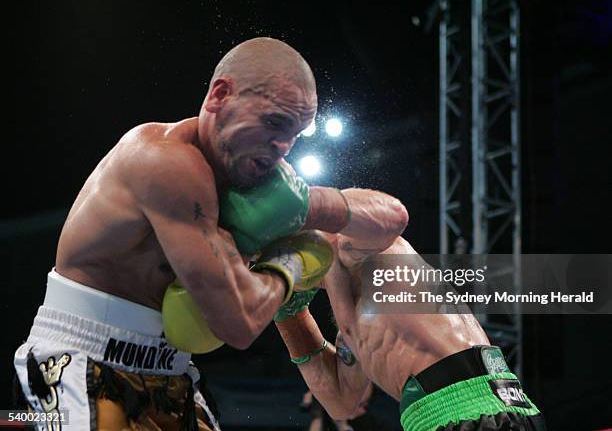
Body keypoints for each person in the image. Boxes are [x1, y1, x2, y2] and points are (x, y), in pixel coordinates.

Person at [13, 37, 403, 431]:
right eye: (274, 123)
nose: (283, 146)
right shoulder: (166, 163)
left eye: (296, 134)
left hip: (171, 370)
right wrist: (292, 261)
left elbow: (394, 218)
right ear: (220, 95)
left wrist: (313, 204)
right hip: (81, 356)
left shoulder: (261, 183)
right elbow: (238, 324)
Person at [275, 226, 546, 430]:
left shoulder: (376, 255)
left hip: (464, 411)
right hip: (477, 411)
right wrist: (290, 315)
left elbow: (389, 217)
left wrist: (313, 208)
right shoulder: (353, 326)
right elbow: (341, 402)